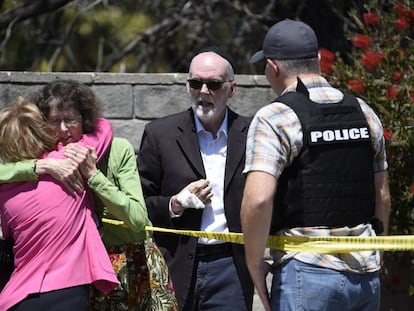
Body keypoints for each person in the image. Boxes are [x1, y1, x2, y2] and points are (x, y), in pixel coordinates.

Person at [240, 20, 391, 311]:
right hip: (364, 273)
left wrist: (254, 264)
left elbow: (258, 199)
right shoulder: (363, 111)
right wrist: (378, 252)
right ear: (319, 60)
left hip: (306, 272)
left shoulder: (275, 117)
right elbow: (382, 194)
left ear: (272, 67)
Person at [0, 80, 178, 310]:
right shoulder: (48, 157)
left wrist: (94, 176)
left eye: (71, 119)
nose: (64, 129)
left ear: (84, 118)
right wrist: (38, 167)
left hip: (129, 264)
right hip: (77, 274)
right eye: (55, 121)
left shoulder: (117, 148)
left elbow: (138, 220)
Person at [137, 48, 254, 310]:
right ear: (186, 86)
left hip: (231, 267)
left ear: (231, 89)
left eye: (213, 84)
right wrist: (175, 204)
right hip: (175, 265)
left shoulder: (253, 133)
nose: (203, 91)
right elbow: (139, 202)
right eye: (195, 83)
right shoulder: (160, 134)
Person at [0, 97, 119, 310]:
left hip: (15, 298)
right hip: (67, 293)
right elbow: (103, 126)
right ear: (42, 131)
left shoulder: (5, 191)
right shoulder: (69, 161)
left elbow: (9, 235)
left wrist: (36, 166)